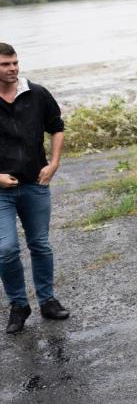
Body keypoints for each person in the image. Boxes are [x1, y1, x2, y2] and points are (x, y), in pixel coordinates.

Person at [0, 42, 70, 334]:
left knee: (40, 244)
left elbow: (57, 127)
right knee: (5, 249)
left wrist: (53, 163)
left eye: (15, 62)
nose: (13, 68)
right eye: (5, 64)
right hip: (2, 190)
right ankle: (19, 304)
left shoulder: (37, 93)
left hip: (35, 184)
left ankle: (47, 300)